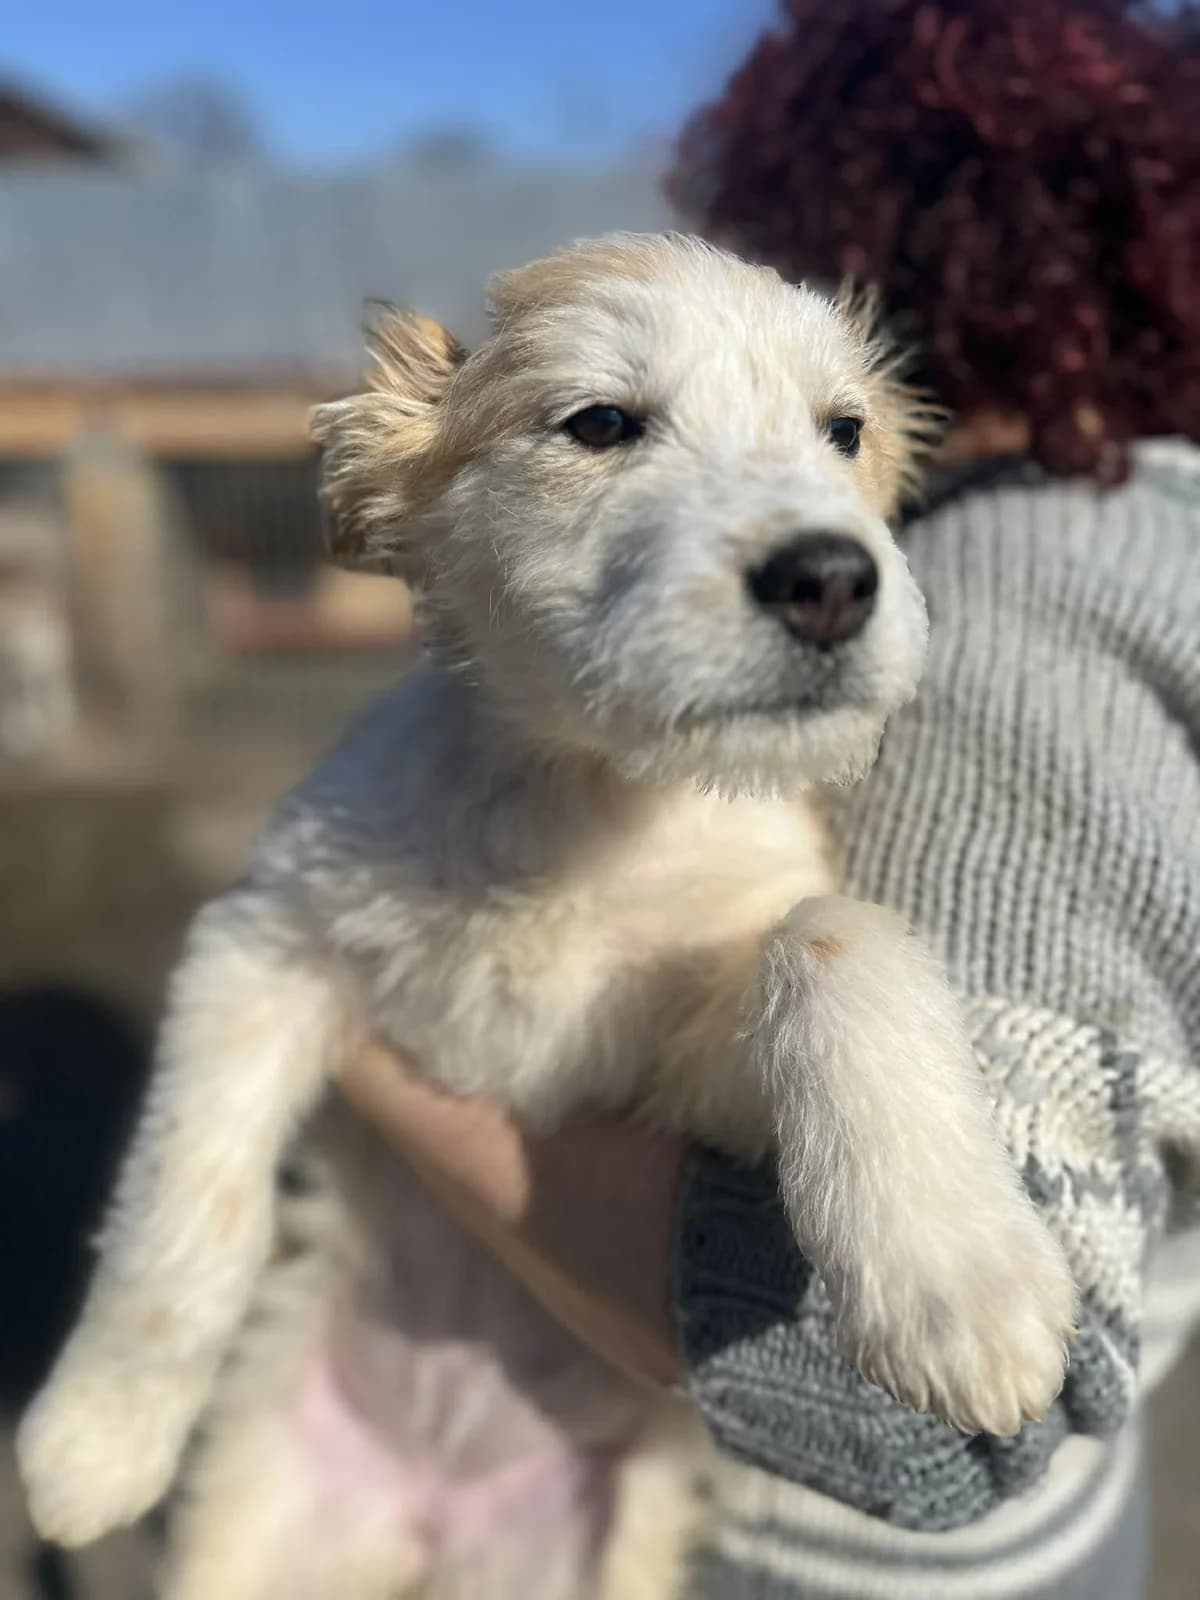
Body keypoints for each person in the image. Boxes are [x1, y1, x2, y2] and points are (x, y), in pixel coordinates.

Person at [343, 0, 1200, 1594]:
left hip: (838, 1562)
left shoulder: (1015, 600)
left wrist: (373, 1056)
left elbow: (931, 1409)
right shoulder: (1166, 532)